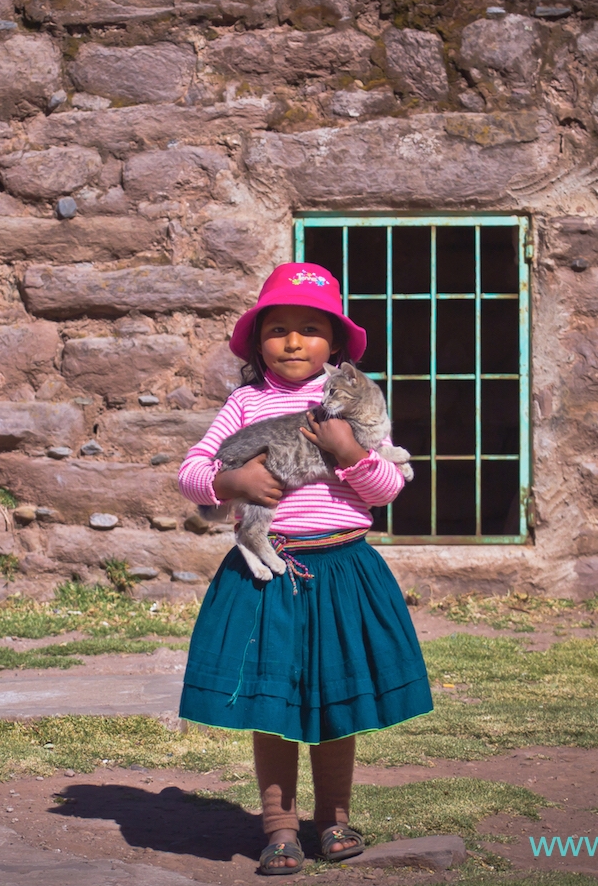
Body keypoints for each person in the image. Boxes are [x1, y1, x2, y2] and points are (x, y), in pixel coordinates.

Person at [176, 261, 434, 875]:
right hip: (274, 574)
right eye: (278, 329)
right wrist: (229, 480)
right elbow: (192, 473)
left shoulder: (352, 406)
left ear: (337, 346)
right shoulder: (245, 402)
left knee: (338, 700)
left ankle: (335, 820)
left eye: (311, 330)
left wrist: (348, 454)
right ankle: (280, 828)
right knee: (272, 704)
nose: (294, 342)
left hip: (344, 567)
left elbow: (386, 490)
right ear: (257, 341)